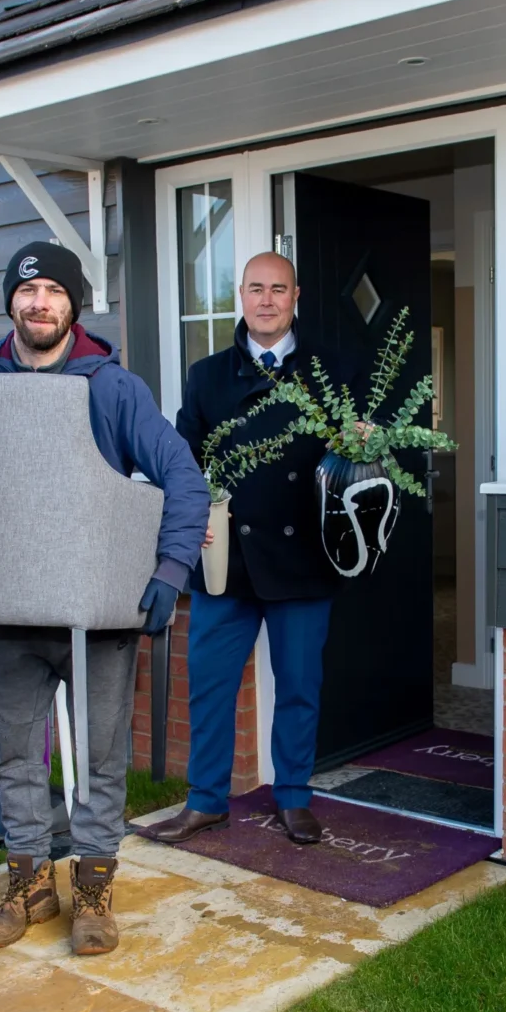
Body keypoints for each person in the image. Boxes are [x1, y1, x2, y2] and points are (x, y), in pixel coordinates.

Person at [0, 242, 208, 955]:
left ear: (74, 303)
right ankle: (29, 886)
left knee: (99, 758)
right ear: (11, 299)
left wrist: (170, 570)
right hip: (11, 610)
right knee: (15, 756)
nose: (40, 302)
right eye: (28, 289)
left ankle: (94, 892)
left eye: (54, 291)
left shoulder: (113, 388)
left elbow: (182, 479)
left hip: (98, 613)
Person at [149, 251, 350, 849]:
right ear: (241, 296)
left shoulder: (330, 372)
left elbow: (352, 464)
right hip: (226, 562)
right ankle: (205, 802)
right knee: (209, 686)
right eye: (256, 288)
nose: (266, 300)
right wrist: (191, 523)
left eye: (278, 289)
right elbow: (183, 462)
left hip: (304, 561)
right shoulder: (207, 375)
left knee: (298, 686)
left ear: (296, 297)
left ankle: (293, 797)